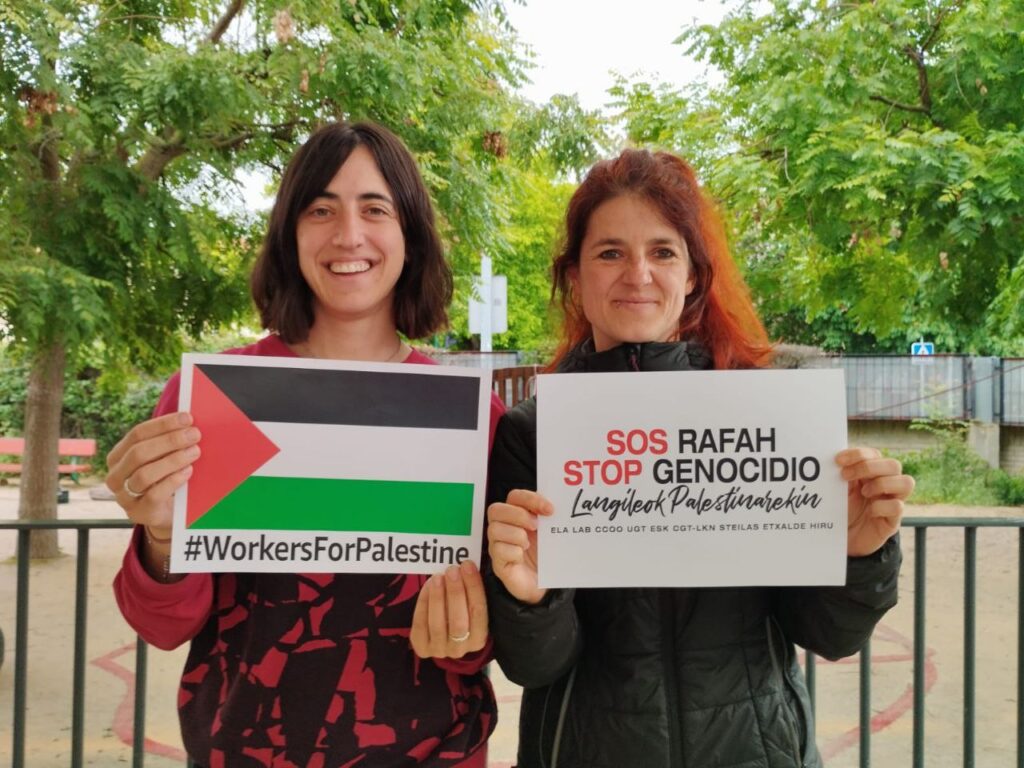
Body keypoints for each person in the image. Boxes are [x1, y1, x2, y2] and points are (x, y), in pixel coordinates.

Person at [484, 149, 915, 768]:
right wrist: (531, 600)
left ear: (692, 276)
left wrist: (858, 555)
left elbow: (829, 635)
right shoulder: (531, 433)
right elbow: (535, 664)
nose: (638, 274)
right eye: (610, 253)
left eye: (663, 252)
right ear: (575, 274)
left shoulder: (766, 415)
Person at [108, 121, 501, 768]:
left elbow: (488, 641)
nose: (348, 234)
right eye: (320, 209)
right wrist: (159, 537)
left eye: (375, 209)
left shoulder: (474, 417)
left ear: (410, 235)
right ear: (289, 236)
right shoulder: (208, 399)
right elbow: (162, 625)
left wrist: (470, 631)